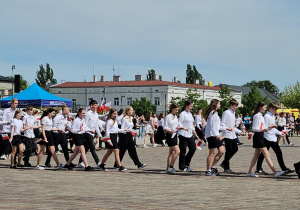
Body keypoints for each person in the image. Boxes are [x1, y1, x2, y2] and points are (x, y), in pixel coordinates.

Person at [246, 101, 285, 178]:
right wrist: (264, 129)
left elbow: (262, 127)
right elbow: (254, 128)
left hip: (260, 135)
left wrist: (268, 127)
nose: (265, 109)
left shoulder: (260, 116)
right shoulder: (257, 116)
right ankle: (275, 172)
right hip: (258, 136)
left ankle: (250, 171)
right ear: (260, 107)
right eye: (264, 107)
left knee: (256, 155)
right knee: (266, 154)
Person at [255, 102, 294, 175]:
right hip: (267, 137)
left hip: (272, 137)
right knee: (273, 153)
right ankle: (283, 168)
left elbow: (273, 128)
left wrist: (279, 133)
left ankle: (258, 168)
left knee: (265, 154)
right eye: (275, 109)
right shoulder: (267, 116)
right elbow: (264, 128)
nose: (276, 110)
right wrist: (272, 127)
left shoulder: (272, 116)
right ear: (271, 108)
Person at [220, 99, 244, 174]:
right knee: (229, 150)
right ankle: (226, 167)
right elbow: (222, 124)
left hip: (232, 134)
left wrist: (240, 131)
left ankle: (224, 162)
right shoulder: (226, 113)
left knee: (235, 149)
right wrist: (227, 128)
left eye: (237, 106)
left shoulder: (233, 113)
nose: (236, 107)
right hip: (227, 134)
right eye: (235, 106)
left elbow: (232, 126)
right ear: (231, 105)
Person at [203, 99, 226, 176]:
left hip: (215, 134)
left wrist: (226, 128)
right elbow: (212, 126)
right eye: (219, 104)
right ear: (216, 104)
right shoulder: (212, 114)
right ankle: (208, 170)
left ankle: (213, 167)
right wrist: (216, 134)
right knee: (212, 153)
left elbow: (216, 126)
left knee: (221, 151)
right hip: (212, 135)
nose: (220, 105)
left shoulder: (215, 113)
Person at [77, 100, 102, 168]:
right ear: (91, 106)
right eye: (95, 105)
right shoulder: (88, 114)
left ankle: (80, 162)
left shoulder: (96, 114)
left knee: (86, 148)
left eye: (96, 105)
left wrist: (99, 135)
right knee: (92, 148)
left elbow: (96, 125)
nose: (96, 107)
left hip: (92, 133)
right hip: (87, 133)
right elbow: (85, 124)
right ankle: (98, 162)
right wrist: (89, 130)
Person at [178, 100, 199, 172]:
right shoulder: (182, 114)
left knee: (193, 148)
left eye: (192, 106)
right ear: (186, 106)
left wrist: (195, 133)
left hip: (190, 134)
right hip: (183, 134)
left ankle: (186, 163)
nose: (191, 108)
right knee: (183, 151)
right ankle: (182, 166)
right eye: (190, 106)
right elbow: (179, 124)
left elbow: (191, 124)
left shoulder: (190, 114)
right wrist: (183, 128)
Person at [164, 103, 180, 175]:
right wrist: (169, 130)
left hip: (175, 135)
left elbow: (176, 125)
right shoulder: (168, 116)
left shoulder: (175, 116)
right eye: (176, 110)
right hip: (170, 135)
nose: (177, 111)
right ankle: (171, 167)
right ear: (172, 109)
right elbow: (165, 127)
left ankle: (168, 168)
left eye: (177, 110)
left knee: (171, 153)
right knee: (177, 151)